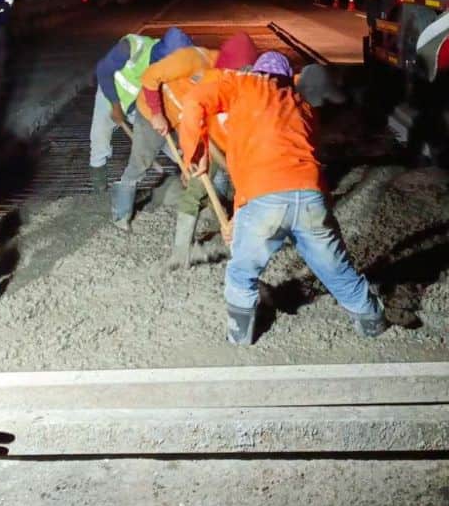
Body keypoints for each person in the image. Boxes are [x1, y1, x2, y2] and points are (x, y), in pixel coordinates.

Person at [178, 51, 385, 345]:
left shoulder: (242, 83)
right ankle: (374, 323)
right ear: (288, 80)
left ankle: (239, 340)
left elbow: (194, 101)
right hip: (311, 198)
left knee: (241, 273)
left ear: (258, 71)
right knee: (337, 271)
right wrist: (239, 215)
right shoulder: (302, 106)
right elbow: (293, 164)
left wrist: (194, 154)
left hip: (265, 199)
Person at [135, 32, 258, 264]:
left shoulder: (245, 87)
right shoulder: (199, 66)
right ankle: (181, 252)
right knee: (196, 188)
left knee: (241, 188)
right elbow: (193, 118)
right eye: (235, 74)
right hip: (199, 132)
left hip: (223, 141)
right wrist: (193, 154)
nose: (238, 79)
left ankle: (240, 236)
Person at [90, 27, 193, 196]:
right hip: (110, 95)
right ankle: (98, 191)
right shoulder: (131, 47)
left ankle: (186, 169)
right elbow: (102, 71)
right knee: (99, 137)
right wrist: (115, 106)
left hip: (138, 105)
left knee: (159, 136)